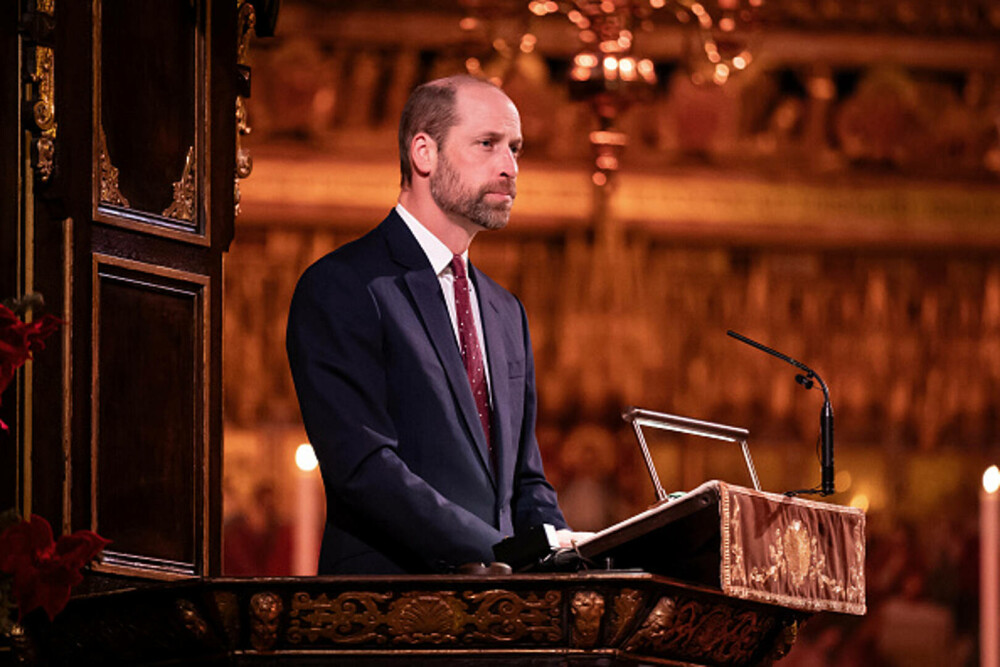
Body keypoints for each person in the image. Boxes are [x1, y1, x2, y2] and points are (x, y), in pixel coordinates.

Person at [286, 75, 586, 575]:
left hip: (505, 617)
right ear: (424, 152)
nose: (510, 167)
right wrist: (496, 552)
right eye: (487, 144)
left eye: (515, 149)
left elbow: (526, 481)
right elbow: (363, 466)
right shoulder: (345, 285)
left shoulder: (505, 310)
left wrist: (565, 554)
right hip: (388, 610)